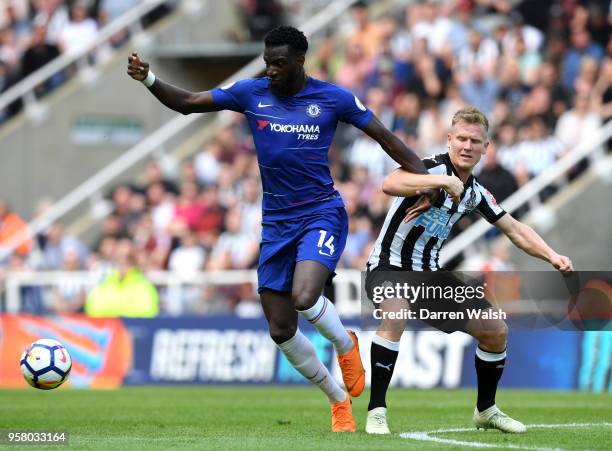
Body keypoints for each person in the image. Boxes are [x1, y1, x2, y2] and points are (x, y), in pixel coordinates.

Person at [127, 25, 430, 432]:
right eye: (267, 63)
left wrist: (427, 180)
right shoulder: (251, 94)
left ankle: (346, 344)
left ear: (301, 61)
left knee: (306, 297)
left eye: (279, 64)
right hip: (276, 225)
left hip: (321, 212)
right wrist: (148, 77)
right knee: (280, 329)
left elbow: (384, 137)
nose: (270, 70)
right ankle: (338, 400)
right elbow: (187, 103)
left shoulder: (332, 97)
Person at [364, 107, 573, 434]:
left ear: (486, 147)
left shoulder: (475, 192)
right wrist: (441, 182)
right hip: (387, 267)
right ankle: (377, 410)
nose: (467, 145)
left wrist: (551, 255)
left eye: (475, 141)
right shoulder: (429, 167)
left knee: (495, 329)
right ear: (449, 140)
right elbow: (390, 183)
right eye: (460, 138)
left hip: (430, 277)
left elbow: (515, 230)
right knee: (396, 308)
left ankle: (486, 410)